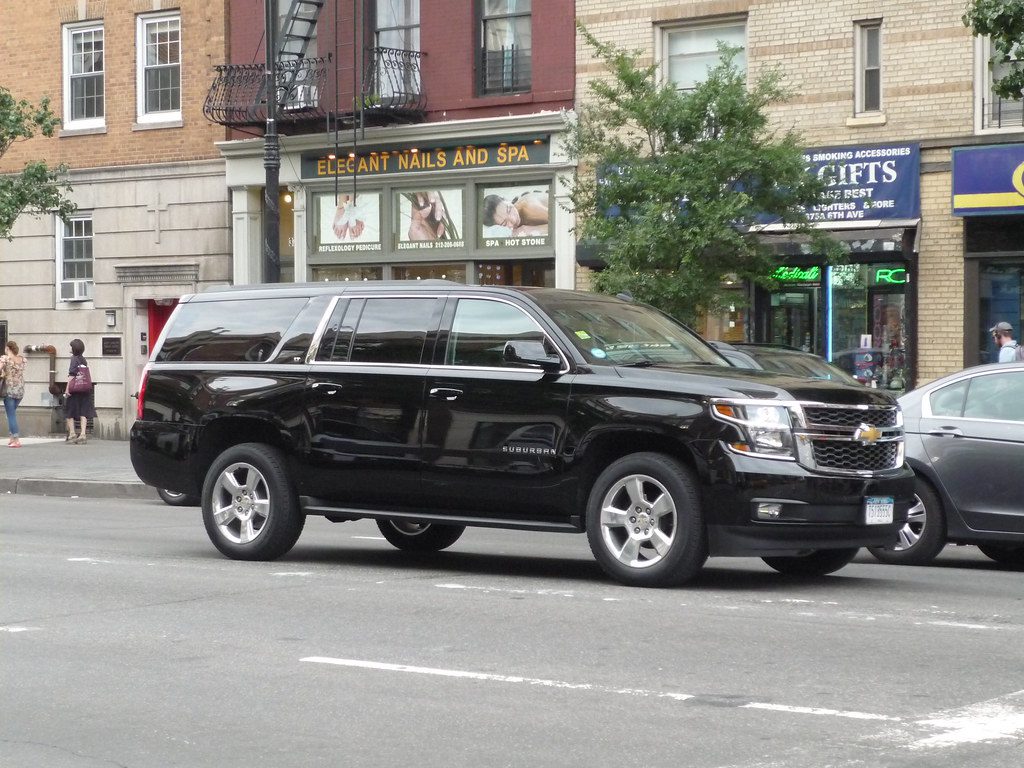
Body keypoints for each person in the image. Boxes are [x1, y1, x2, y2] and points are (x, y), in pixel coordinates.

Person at [65, 338, 97, 444]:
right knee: (84, 411)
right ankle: (83, 434)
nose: (70, 348)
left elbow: (71, 375)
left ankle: (72, 434)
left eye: (71, 346)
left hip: (75, 389)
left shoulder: (73, 359)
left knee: (70, 411)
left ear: (74, 348)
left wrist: (67, 389)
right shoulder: (83, 359)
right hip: (84, 389)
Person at [482, 190, 549, 237]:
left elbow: (555, 222)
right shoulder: (515, 227)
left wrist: (530, 229)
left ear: (506, 200)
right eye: (504, 223)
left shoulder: (529, 206)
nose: (513, 219)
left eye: (509, 210)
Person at [1, 340, 26, 448]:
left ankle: (16, 439)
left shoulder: (5, 359)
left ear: (7, 348)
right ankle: (12, 438)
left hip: (9, 390)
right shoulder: (22, 359)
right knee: (11, 413)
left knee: (11, 415)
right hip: (20, 390)